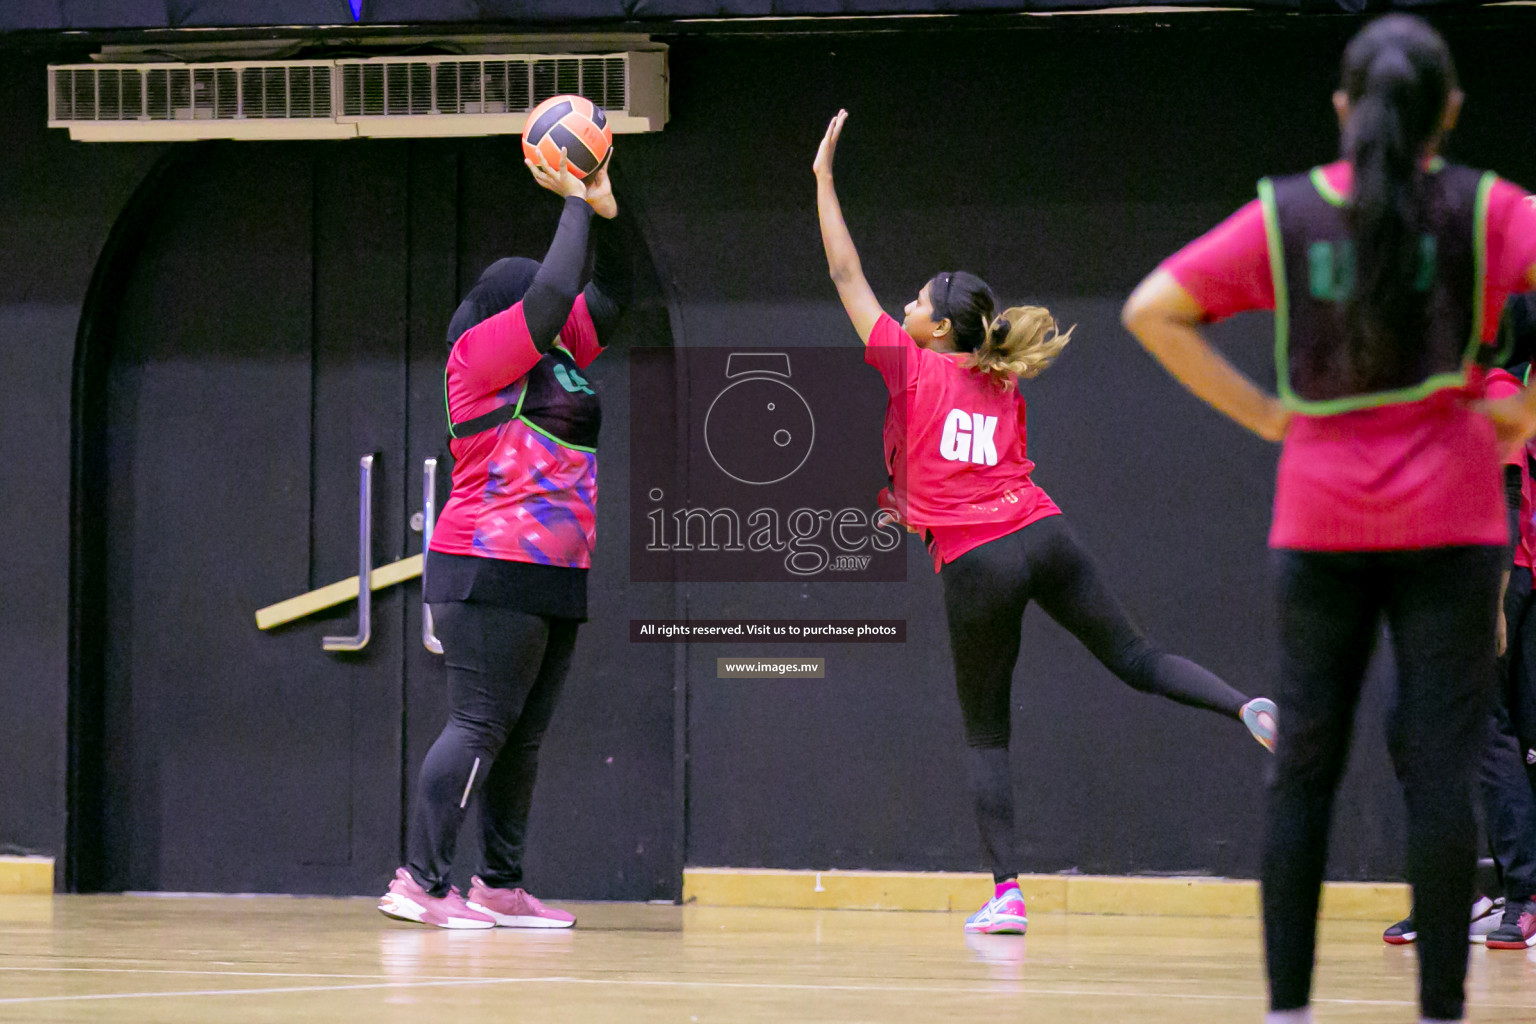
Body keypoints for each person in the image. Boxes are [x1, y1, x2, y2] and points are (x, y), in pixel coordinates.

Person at [1122, 15, 1536, 1021]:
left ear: (1344, 108)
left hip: (1322, 521)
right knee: (1445, 776)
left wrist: (1267, 414)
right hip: (1453, 520)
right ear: (1450, 111)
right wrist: (1515, 409)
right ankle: (1443, 1007)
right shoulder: (1487, 209)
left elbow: (1150, 308)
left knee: (1302, 772)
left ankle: (1290, 1010)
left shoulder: (1288, 211)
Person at [811, 108, 1278, 938]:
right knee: (1138, 657)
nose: (904, 305)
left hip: (977, 559)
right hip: (1043, 531)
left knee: (987, 732)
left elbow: (846, 275)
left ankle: (1008, 893)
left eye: (916, 302)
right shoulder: (1001, 380)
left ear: (937, 329)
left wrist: (822, 181)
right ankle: (1247, 707)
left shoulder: (907, 363)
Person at [378, 146, 629, 929]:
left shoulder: (562, 356)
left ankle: (499, 884)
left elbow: (611, 293)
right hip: (485, 561)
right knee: (481, 725)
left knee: (521, 742)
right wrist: (572, 202)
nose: (552, 307)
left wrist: (607, 213)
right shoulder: (481, 354)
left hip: (553, 572)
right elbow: (555, 291)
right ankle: (420, 881)